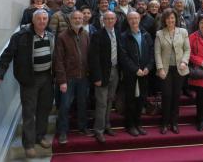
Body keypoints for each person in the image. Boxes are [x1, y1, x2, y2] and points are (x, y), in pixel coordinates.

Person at [0, 9, 54, 158]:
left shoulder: (50, 35)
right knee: (29, 112)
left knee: (44, 109)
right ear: (33, 20)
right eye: (39, 19)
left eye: (45, 19)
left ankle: (40, 136)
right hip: (29, 79)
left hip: (47, 78)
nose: (42, 21)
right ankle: (29, 144)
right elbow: (7, 56)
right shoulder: (20, 36)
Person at [54, 11, 91, 144]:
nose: (77, 20)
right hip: (68, 78)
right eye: (75, 18)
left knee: (82, 104)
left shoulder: (86, 35)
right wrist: (62, 81)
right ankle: (63, 131)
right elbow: (58, 60)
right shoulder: (62, 36)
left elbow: (89, 56)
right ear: (70, 20)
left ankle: (83, 127)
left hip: (83, 77)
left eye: (80, 18)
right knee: (64, 105)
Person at [155, 8, 190, 134]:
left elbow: (187, 49)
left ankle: (174, 123)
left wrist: (184, 62)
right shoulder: (159, 34)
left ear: (176, 19)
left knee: (176, 96)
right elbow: (157, 53)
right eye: (168, 18)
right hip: (165, 70)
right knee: (166, 95)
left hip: (180, 69)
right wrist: (160, 69)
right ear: (164, 20)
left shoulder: (183, 32)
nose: (170, 20)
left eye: (172, 18)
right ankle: (164, 123)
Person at [89, 11, 123, 143]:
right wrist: (96, 77)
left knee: (110, 100)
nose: (109, 21)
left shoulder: (118, 33)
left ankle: (107, 125)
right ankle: (99, 130)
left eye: (112, 18)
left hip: (115, 71)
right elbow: (93, 58)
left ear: (115, 20)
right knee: (102, 103)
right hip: (102, 74)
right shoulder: (97, 35)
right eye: (107, 19)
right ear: (103, 20)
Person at [121, 12, 155, 136]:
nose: (134, 20)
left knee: (141, 99)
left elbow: (152, 52)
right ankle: (130, 125)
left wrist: (148, 67)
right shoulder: (124, 36)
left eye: (136, 18)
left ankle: (138, 123)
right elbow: (123, 56)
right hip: (131, 74)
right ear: (128, 21)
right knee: (130, 100)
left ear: (140, 19)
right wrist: (135, 69)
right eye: (131, 19)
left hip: (145, 73)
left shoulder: (146, 34)